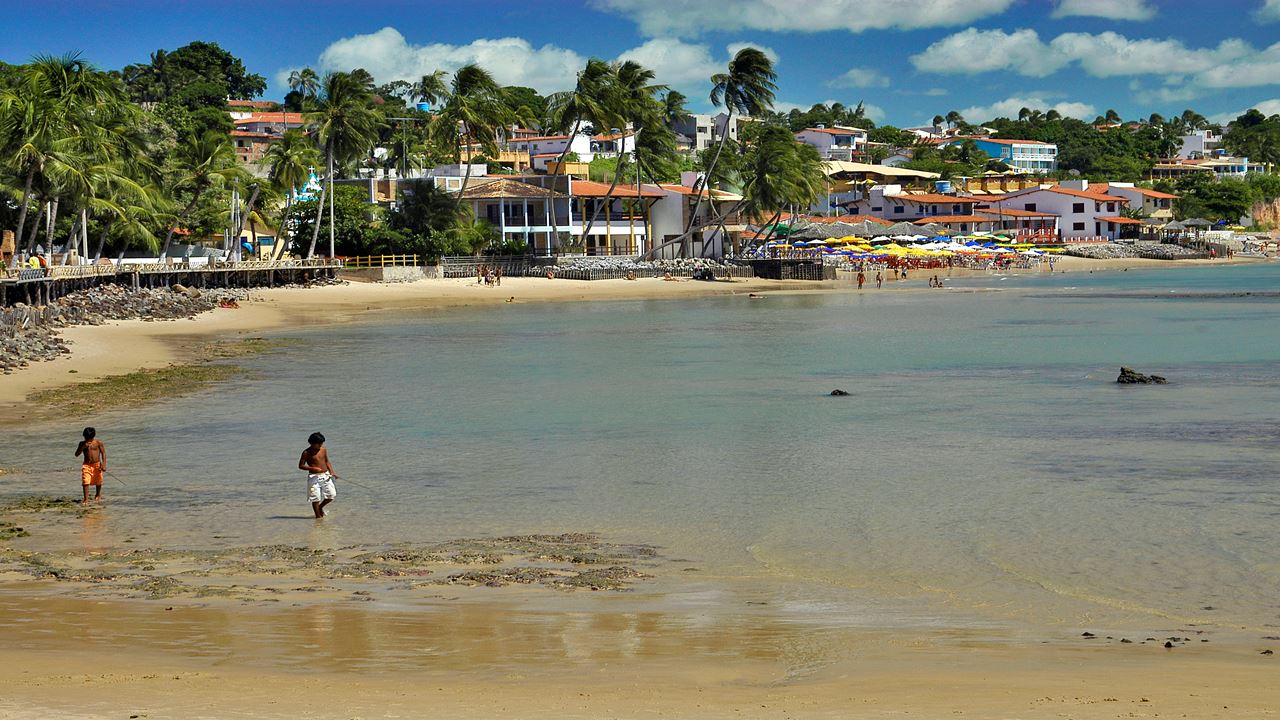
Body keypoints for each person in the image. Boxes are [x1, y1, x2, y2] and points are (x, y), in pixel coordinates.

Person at [298, 432, 337, 518]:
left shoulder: (323, 450)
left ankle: (320, 507)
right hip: (314, 477)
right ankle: (318, 517)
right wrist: (312, 468)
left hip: (325, 475)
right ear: (311, 443)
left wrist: (332, 472)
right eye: (318, 443)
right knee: (315, 498)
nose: (320, 445)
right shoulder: (306, 452)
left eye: (321, 443)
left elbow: (327, 461)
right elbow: (301, 466)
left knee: (331, 495)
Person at [74, 427, 106, 505]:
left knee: (98, 480)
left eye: (90, 439)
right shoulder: (82, 443)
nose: (88, 440)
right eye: (86, 438)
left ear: (93, 437)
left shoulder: (98, 443)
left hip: (97, 464)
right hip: (87, 465)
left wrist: (104, 463)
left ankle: (98, 494)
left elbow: (103, 453)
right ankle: (86, 499)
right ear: (84, 437)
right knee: (86, 481)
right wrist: (82, 447)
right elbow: (76, 454)